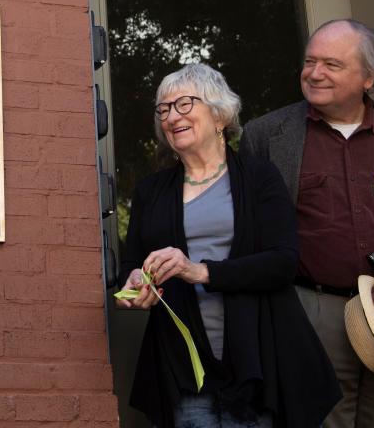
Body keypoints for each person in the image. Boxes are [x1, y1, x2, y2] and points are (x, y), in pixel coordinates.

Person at [241, 19, 374, 428]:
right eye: (310, 61)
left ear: (369, 77)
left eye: (332, 64)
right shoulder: (266, 135)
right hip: (310, 310)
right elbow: (250, 232)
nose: (315, 73)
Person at [118, 63, 340, 428]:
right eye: (164, 109)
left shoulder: (260, 178)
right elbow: (133, 263)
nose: (172, 117)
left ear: (219, 113)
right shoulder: (150, 192)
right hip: (184, 368)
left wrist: (201, 271)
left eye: (185, 104)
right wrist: (137, 285)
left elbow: (283, 262)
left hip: (259, 358)